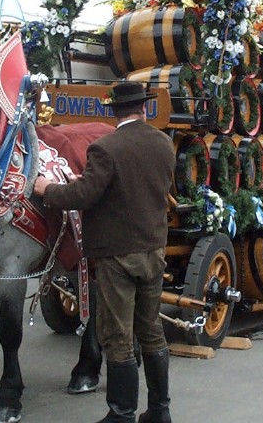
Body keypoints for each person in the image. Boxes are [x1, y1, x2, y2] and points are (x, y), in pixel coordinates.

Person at [33, 81, 176, 423]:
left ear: (113, 111)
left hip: (117, 254)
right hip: (153, 250)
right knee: (152, 330)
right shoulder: (164, 143)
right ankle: (159, 410)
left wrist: (47, 188)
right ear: (143, 108)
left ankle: (122, 413)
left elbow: (83, 195)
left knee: (117, 335)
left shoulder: (105, 148)